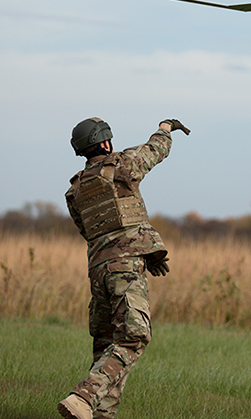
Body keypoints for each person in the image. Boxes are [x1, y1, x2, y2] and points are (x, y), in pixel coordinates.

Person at [58, 116, 189, 419]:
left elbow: (91, 232)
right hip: (125, 270)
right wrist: (166, 128)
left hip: (98, 272)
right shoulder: (122, 165)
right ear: (105, 142)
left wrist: (145, 251)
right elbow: (155, 150)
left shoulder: (75, 190)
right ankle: (84, 396)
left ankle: (100, 414)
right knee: (134, 336)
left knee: (107, 344)